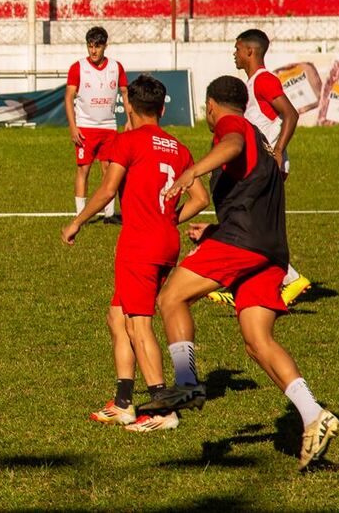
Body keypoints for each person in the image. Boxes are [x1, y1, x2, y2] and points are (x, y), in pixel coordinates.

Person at [140, 76, 339, 471]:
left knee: (171, 296)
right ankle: (314, 414)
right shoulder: (265, 147)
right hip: (271, 252)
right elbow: (254, 198)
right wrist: (213, 229)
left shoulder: (233, 128)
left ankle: (187, 383)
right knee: (257, 341)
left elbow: (230, 145)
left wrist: (190, 173)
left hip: (243, 244)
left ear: (212, 106)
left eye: (207, 109)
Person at [62, 75, 209, 432]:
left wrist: (78, 221)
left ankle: (162, 409)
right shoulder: (178, 147)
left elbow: (107, 190)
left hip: (139, 245)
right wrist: (168, 216)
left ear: (128, 105)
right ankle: (125, 402)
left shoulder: (126, 142)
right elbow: (201, 199)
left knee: (138, 324)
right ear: (162, 108)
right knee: (117, 318)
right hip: (165, 241)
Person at [208, 29, 310, 308]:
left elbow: (291, 113)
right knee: (251, 224)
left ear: (250, 51)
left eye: (237, 48)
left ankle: (289, 278)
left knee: (247, 223)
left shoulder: (263, 80)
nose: (234, 53)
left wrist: (277, 152)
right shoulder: (254, 83)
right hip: (261, 165)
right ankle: (250, 283)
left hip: (267, 165)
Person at [64, 26, 130, 223]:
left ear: (105, 46)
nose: (93, 51)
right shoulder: (78, 67)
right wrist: (73, 126)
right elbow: (68, 98)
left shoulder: (116, 67)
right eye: (90, 46)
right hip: (85, 127)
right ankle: (81, 214)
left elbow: (125, 93)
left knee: (109, 169)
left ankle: (109, 214)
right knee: (83, 169)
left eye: (97, 46)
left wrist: (129, 119)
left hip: (109, 127)